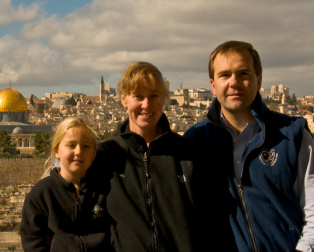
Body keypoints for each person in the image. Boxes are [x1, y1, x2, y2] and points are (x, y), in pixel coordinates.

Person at [184, 40, 314, 252]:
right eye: (225, 75)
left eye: (243, 74)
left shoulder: (292, 133)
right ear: (213, 84)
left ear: (259, 80)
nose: (234, 82)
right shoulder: (196, 140)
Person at [94, 61, 208, 251]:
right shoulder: (105, 156)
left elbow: (209, 220)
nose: (146, 105)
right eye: (138, 96)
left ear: (163, 99)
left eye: (154, 96)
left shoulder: (189, 154)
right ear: (123, 99)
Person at [20, 117, 113, 252]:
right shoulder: (41, 194)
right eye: (71, 145)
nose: (78, 152)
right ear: (56, 151)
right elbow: (33, 243)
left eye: (86, 146)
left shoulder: (106, 190)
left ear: (94, 154)